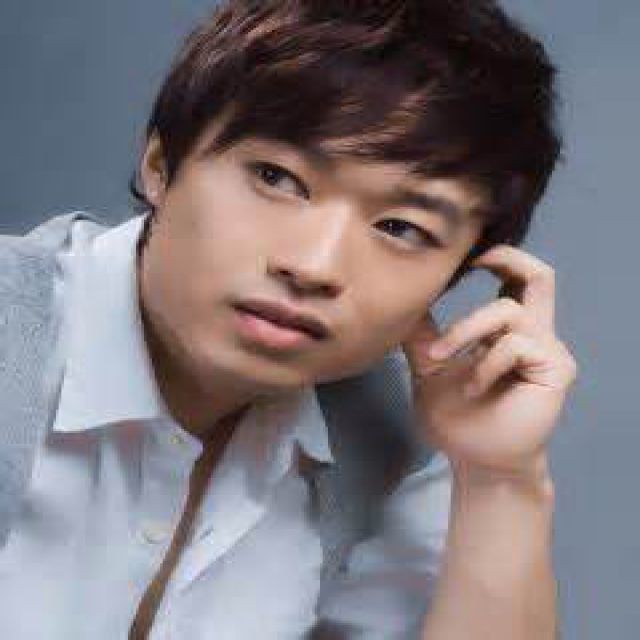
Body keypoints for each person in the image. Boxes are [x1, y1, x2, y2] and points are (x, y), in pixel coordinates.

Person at [0, 1, 578, 638]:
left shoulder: (391, 434)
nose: (313, 265)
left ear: (453, 277)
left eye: (401, 228)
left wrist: (499, 479)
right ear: (161, 164)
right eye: (277, 178)